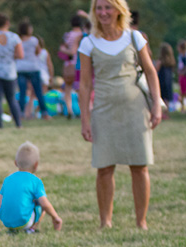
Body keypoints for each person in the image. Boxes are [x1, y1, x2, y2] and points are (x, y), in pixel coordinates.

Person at [79, 0, 161, 230]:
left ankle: (141, 221)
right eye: (99, 8)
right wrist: (85, 119)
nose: (103, 12)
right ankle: (105, 222)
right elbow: (84, 84)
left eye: (108, 7)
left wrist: (156, 105)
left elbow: (150, 71)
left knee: (139, 166)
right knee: (104, 167)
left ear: (119, 10)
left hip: (135, 109)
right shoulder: (88, 43)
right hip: (104, 110)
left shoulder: (134, 38)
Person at [0, 142, 62, 234]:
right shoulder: (35, 181)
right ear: (36, 165)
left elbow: (0, 203)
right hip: (24, 222)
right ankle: (31, 229)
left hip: (6, 222)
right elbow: (45, 204)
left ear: (15, 163)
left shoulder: (7, 179)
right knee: (39, 203)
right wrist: (55, 217)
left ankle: (13, 229)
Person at [16, 21, 49, 120]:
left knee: (22, 92)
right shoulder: (34, 40)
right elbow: (38, 52)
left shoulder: (17, 41)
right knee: (38, 92)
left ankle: (21, 114)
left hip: (21, 68)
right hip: (33, 68)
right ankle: (44, 113)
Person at [59, 14, 86, 118]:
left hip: (68, 65)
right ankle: (83, 110)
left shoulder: (68, 35)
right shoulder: (83, 35)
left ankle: (70, 111)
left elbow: (69, 50)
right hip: (80, 64)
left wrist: (62, 50)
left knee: (67, 89)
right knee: (80, 89)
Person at [156, 42, 175, 114]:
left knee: (162, 96)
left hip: (161, 80)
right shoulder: (171, 62)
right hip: (168, 81)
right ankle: (166, 112)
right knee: (167, 98)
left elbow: (156, 69)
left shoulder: (160, 61)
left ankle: (162, 112)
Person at [178, 40, 186, 113]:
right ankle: (182, 107)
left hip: (184, 76)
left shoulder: (184, 56)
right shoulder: (180, 56)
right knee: (182, 92)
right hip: (181, 76)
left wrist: (183, 72)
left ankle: (183, 107)